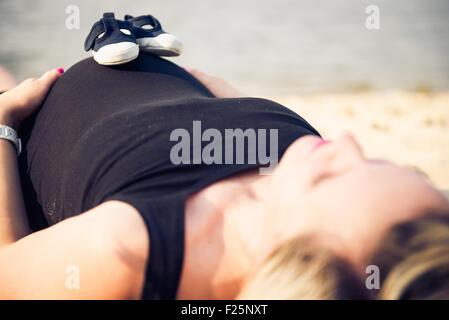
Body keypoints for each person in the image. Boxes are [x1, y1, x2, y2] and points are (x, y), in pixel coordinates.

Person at [0, 55, 448, 300]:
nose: (345, 142)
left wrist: (5, 123)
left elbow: (7, 271)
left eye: (330, 178)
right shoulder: (302, 168)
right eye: (378, 162)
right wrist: (211, 94)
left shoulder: (127, 253)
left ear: (295, 266)